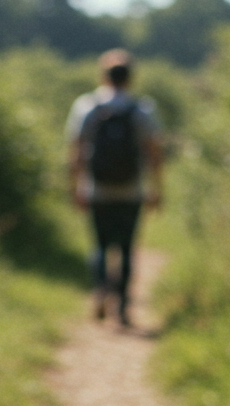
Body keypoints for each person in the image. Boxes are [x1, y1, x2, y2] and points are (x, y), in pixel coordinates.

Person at [66, 49, 163, 327]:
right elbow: (154, 152)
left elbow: (76, 151)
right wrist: (157, 188)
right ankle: (121, 307)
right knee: (127, 248)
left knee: (99, 245)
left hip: (97, 189)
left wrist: (75, 187)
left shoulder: (87, 107)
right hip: (132, 191)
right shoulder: (141, 109)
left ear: (103, 76)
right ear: (131, 78)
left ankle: (99, 293)